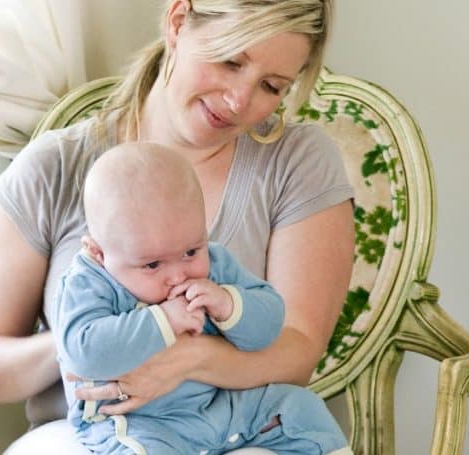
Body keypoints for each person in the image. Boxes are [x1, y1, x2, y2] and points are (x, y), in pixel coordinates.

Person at [0, 0, 355, 453]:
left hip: (240, 427)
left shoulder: (296, 162)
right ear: (178, 21)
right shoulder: (54, 167)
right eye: (230, 61)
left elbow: (297, 350)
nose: (239, 101)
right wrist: (100, 344)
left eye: (271, 86)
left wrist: (188, 359)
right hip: (94, 434)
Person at [55, 141, 350, 455]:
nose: (179, 276)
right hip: (139, 422)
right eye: (153, 265)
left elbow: (270, 323)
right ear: (98, 252)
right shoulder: (87, 282)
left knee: (299, 408)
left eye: (190, 251)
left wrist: (229, 304)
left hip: (221, 405)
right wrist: (164, 319)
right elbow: (83, 352)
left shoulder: (216, 263)